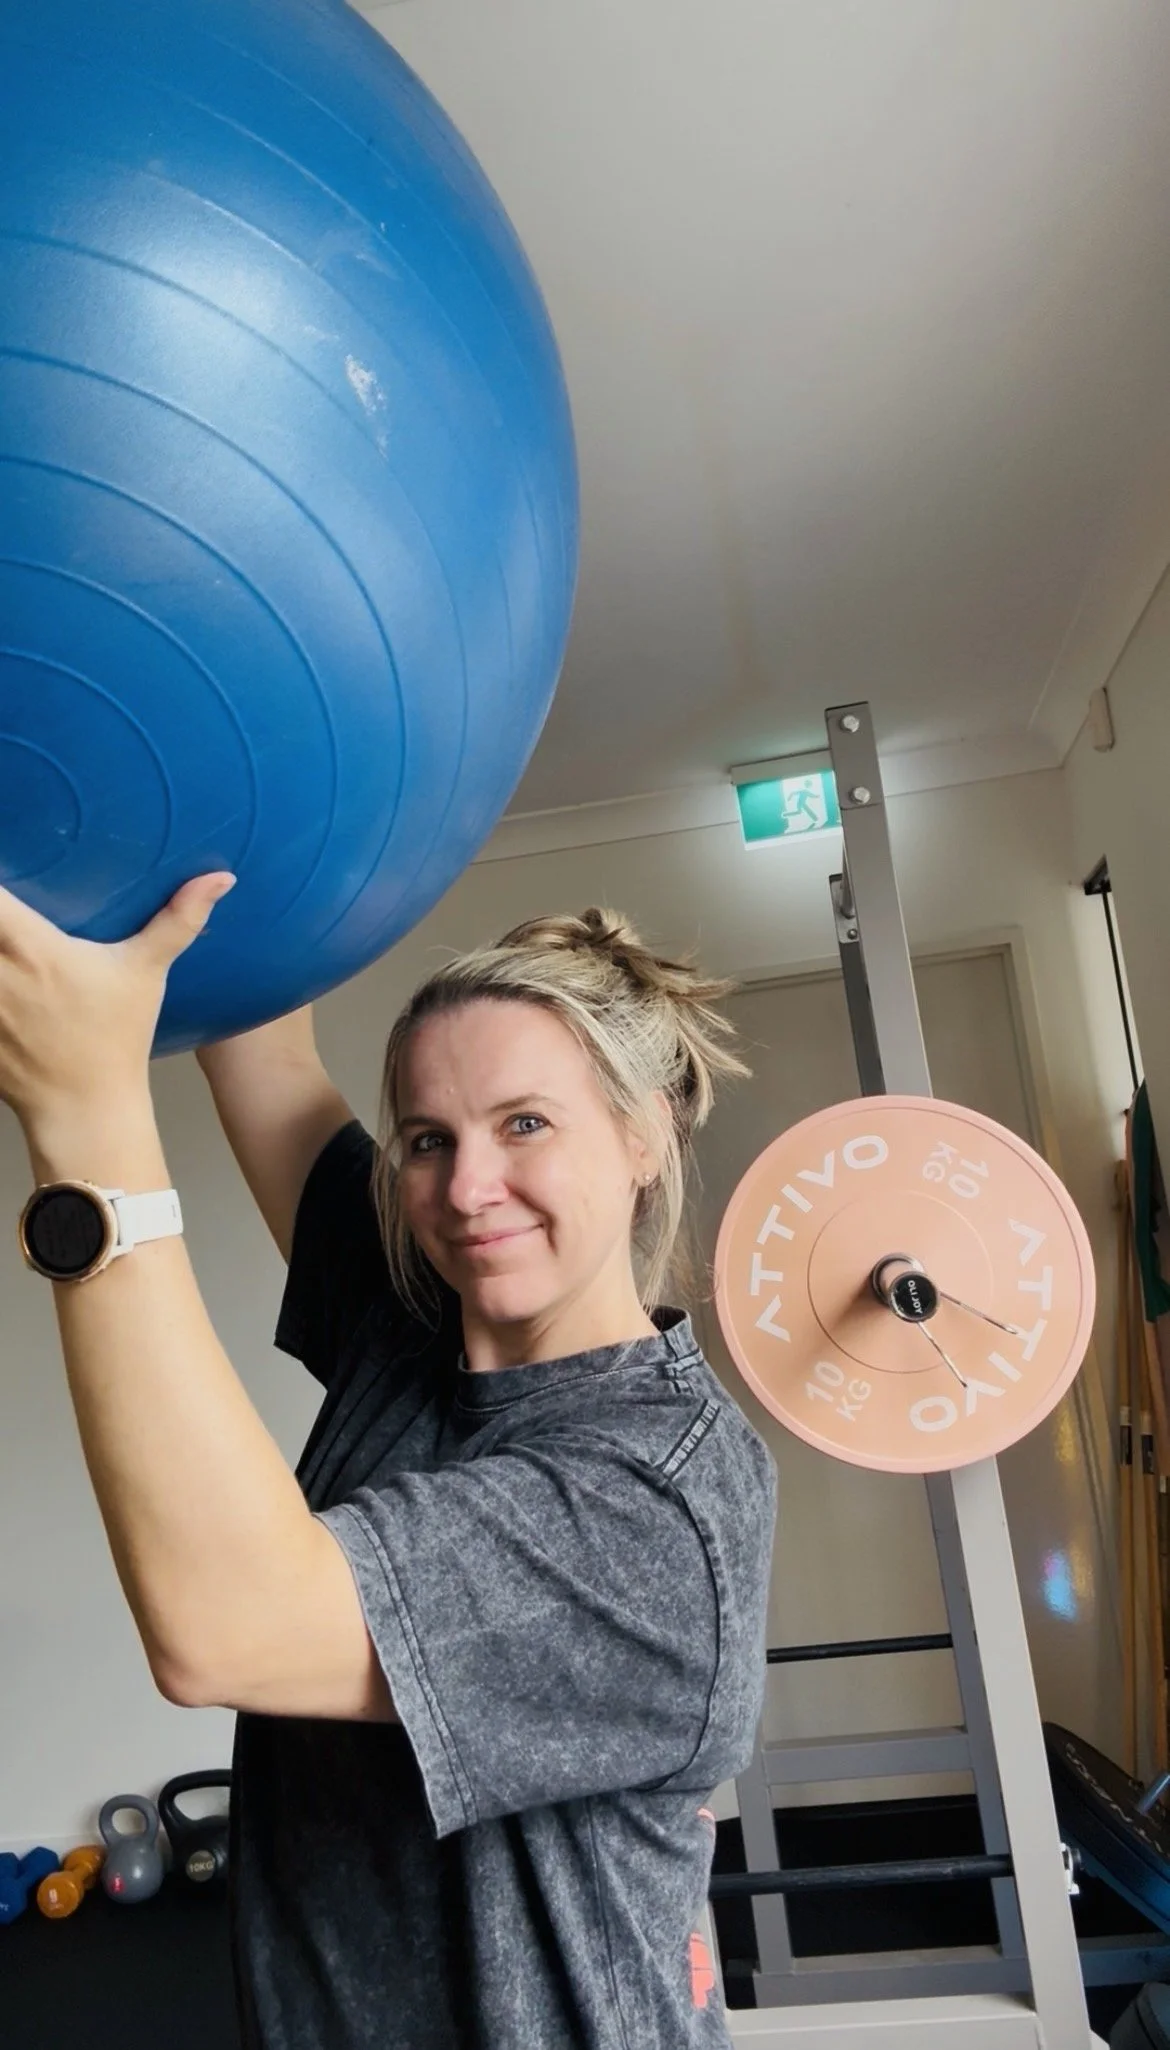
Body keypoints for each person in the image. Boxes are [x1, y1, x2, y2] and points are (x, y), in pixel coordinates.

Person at [1, 874, 778, 2049]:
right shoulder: (422, 1315)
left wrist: (82, 1114)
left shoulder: (656, 1505)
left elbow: (221, 1626)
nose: (467, 1191)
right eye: (427, 1139)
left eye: (526, 1122)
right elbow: (258, 1045)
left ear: (645, 1129)